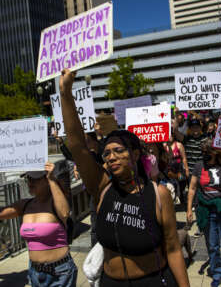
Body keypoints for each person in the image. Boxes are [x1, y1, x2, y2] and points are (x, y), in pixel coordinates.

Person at [59, 69, 190, 287]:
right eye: (107, 153)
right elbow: (77, 146)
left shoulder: (159, 195)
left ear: (136, 154)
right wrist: (65, 93)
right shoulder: (102, 188)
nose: (112, 157)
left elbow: (174, 249)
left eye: (119, 151)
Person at [0, 161, 77, 287]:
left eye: (35, 179)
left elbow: (65, 213)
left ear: (46, 180)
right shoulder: (25, 205)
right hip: (35, 273)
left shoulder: (55, 204)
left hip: (60, 273)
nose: (30, 183)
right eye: (28, 179)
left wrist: (52, 180)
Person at [187, 139, 221, 287]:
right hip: (206, 211)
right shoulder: (199, 166)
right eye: (203, 152)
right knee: (212, 245)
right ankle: (217, 273)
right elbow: (192, 188)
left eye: (208, 152)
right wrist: (189, 209)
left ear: (215, 152)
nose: (205, 155)